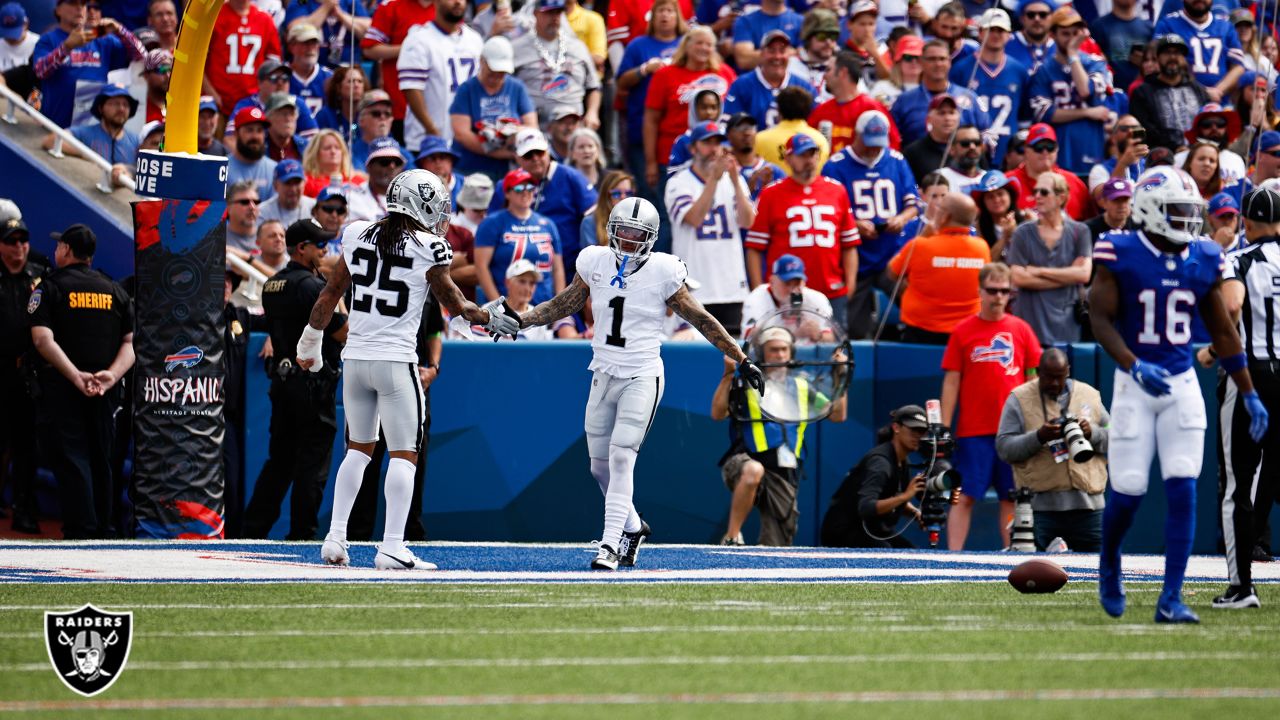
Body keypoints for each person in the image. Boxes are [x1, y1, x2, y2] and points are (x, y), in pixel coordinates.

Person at [516, 196, 766, 569]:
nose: (629, 240)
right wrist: (522, 321)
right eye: (624, 232)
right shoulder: (594, 260)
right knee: (598, 468)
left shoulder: (664, 271)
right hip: (602, 372)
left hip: (641, 374)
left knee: (620, 458)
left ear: (651, 237)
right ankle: (632, 526)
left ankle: (610, 545)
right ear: (611, 231)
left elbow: (700, 318)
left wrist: (741, 357)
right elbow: (564, 303)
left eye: (637, 234)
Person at [306, 169, 518, 569]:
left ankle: (335, 539)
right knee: (405, 454)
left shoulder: (354, 234)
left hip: (356, 360)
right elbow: (456, 304)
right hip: (395, 362)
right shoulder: (430, 246)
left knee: (357, 452)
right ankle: (392, 545)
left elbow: (330, 294)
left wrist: (310, 342)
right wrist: (490, 319)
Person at [1090, 165, 1268, 623]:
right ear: (1149, 209)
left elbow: (1225, 333)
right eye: (1177, 211)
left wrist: (1248, 392)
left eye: (1192, 211)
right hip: (1135, 381)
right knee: (1128, 491)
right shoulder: (1120, 248)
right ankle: (1109, 563)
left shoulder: (1204, 256)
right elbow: (1100, 319)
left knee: (1184, 485)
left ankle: (1171, 596)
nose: (1189, 220)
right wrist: (1131, 363)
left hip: (1182, 382)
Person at [242, 219, 347, 540]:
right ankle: (302, 534)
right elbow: (342, 332)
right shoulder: (312, 286)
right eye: (320, 246)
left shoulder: (272, 284)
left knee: (280, 461)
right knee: (312, 464)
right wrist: (336, 290)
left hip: (283, 382)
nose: (325, 251)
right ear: (302, 248)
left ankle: (253, 529)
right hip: (313, 384)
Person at [28, 224, 133, 538]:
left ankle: (82, 529)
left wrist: (75, 377)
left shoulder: (49, 288)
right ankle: (104, 526)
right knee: (102, 456)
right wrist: (111, 376)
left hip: (63, 388)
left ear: (66, 251)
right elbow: (131, 342)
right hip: (105, 390)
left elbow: (42, 341)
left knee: (72, 456)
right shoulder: (114, 289)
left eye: (60, 246)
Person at [940, 262, 1043, 550]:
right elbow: (951, 381)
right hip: (975, 429)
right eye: (992, 290)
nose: (999, 296)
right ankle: (954, 555)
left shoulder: (1021, 329)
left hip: (1013, 430)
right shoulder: (963, 331)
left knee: (1012, 496)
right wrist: (944, 427)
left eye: (1004, 291)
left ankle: (1011, 554)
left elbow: (1033, 377)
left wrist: (1034, 422)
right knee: (965, 494)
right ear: (980, 291)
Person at [713, 326, 847, 546]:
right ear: (761, 353)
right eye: (773, 350)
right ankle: (732, 537)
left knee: (778, 544)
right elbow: (718, 414)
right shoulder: (746, 381)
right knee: (753, 471)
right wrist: (728, 375)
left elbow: (838, 415)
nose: (780, 355)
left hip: (784, 469)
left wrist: (840, 377)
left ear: (791, 352)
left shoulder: (803, 387)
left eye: (784, 349)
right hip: (744, 460)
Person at [1211, 186, 1280, 609]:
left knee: (1237, 482)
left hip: (1251, 376)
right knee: (1268, 476)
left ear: (1245, 221)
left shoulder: (1238, 258)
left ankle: (1241, 587)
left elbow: (1233, 305)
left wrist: (1217, 344)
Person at [996, 347, 1110, 552]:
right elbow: (1004, 448)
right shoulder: (1019, 399)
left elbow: (1117, 439)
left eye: (1060, 377)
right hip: (1038, 510)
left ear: (1068, 370)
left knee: (1098, 575)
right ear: (1039, 372)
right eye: (1049, 378)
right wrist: (1039, 437)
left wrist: (1091, 432)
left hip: (1089, 507)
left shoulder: (1089, 395)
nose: (1055, 384)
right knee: (1033, 576)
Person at [821, 110, 920, 339]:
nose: (874, 149)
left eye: (878, 143)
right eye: (869, 143)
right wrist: (854, 223)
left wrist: (901, 218)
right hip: (857, 256)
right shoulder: (836, 166)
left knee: (915, 306)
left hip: (892, 253)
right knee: (855, 327)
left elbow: (914, 204)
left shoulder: (895, 160)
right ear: (856, 135)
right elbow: (828, 211)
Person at [746, 134, 858, 329]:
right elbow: (755, 247)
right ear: (788, 158)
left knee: (833, 351)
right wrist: (760, 289)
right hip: (786, 292)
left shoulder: (837, 190)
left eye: (812, 154)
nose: (809, 160)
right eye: (802, 155)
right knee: (780, 351)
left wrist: (850, 284)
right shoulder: (771, 194)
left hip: (831, 288)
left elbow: (849, 244)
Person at [665, 121, 754, 335]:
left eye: (718, 143)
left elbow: (748, 221)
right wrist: (713, 180)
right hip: (695, 288)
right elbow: (694, 218)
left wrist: (734, 181)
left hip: (732, 286)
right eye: (707, 143)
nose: (714, 149)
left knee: (734, 353)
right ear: (693, 148)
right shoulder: (678, 183)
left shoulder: (735, 180)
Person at [487, 128, 597, 275]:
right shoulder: (506, 185)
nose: (535, 158)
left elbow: (596, 216)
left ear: (548, 151)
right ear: (516, 157)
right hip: (516, 271)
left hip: (569, 266)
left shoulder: (571, 177)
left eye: (539, 152)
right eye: (528, 155)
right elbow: (491, 227)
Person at [885, 193, 992, 345]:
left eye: (940, 209)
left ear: (945, 217)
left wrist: (922, 237)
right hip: (966, 333)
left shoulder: (920, 245)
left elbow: (892, 272)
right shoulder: (982, 247)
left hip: (921, 332)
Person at [820, 404, 927, 548]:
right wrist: (905, 496)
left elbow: (889, 496)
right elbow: (867, 507)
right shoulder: (881, 463)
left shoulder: (902, 461)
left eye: (921, 431)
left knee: (911, 555)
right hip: (843, 532)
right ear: (896, 428)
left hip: (872, 530)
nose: (918, 436)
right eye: (913, 429)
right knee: (886, 553)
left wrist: (916, 513)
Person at [643, 26, 735, 191]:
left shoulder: (725, 73)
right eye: (699, 43)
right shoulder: (665, 75)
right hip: (673, 154)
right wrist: (651, 161)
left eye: (708, 44)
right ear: (686, 45)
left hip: (715, 153)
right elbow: (651, 120)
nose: (704, 48)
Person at [0, 215, 47, 535]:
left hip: (27, 374)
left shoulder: (39, 276)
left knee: (27, 445)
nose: (19, 247)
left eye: (23, 240)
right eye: (12, 241)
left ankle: (24, 507)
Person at [1008, 172, 1093, 344]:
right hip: (1029, 328)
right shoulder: (1022, 232)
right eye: (1036, 191)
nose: (1037, 197)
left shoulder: (1080, 231)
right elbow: (1018, 277)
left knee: (1066, 370)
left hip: (1067, 328)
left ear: (1061, 198)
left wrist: (1037, 270)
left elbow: (1084, 275)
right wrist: (1068, 276)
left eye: (1044, 192)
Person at [33, 0, 145, 128]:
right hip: (55, 125)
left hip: (92, 128)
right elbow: (40, 71)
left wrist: (120, 29)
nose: (80, 8)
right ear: (58, 10)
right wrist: (66, 47)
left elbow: (141, 57)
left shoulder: (103, 40)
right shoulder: (48, 39)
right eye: (73, 3)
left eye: (83, 4)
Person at [1027, 7, 1109, 180]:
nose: (1071, 39)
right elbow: (1046, 113)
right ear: (1052, 35)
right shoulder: (1042, 71)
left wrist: (1073, 55)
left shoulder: (1095, 63)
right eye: (1065, 33)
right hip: (1059, 156)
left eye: (1075, 33)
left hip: (1092, 152)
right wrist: (1087, 112)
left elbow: (1085, 90)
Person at [614, 0, 684, 203]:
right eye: (660, 11)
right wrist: (643, 69)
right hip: (643, 129)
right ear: (651, 17)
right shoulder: (638, 45)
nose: (664, 15)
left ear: (677, 16)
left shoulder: (686, 44)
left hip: (677, 133)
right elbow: (621, 82)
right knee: (650, 192)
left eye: (670, 11)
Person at [449, 36, 539, 183]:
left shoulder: (517, 87)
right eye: (493, 71)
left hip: (507, 169)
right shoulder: (467, 90)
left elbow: (532, 126)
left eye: (501, 72)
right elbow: (461, 133)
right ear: (482, 61)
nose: (497, 76)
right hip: (471, 167)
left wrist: (512, 132)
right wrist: (496, 152)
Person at [396, 0, 481, 153]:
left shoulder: (475, 39)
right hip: (427, 142)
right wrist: (432, 130)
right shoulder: (418, 39)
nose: (457, 2)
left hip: (466, 141)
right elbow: (412, 89)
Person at [475, 168, 565, 306]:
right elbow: (481, 267)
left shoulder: (548, 224)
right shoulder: (492, 223)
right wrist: (499, 306)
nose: (525, 192)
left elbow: (558, 268)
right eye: (519, 188)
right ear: (507, 193)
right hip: (507, 304)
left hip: (545, 306)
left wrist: (560, 306)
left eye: (530, 187)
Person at [950, 9, 1027, 169]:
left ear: (1009, 35)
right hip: (972, 149)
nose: (996, 34)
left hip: (1008, 148)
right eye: (991, 29)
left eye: (1001, 30)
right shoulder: (961, 69)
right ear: (980, 33)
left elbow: (1024, 115)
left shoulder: (1019, 71)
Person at [512, 0, 602, 129]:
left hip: (574, 122)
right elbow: (506, 87)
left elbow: (594, 87)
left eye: (558, 12)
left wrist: (592, 112)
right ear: (535, 13)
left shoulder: (577, 47)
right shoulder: (518, 48)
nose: (554, 18)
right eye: (549, 13)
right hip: (535, 125)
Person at [360, 0, 435, 142]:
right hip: (400, 107)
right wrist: (410, 49)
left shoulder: (446, 8)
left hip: (439, 108)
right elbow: (369, 48)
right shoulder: (392, 6)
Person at [890, 39, 987, 147]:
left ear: (949, 62)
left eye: (942, 59)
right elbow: (893, 140)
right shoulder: (904, 101)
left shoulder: (970, 98)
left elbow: (986, 133)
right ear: (921, 62)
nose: (938, 64)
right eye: (932, 59)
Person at [1129, 35, 1210, 154]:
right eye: (1167, 53)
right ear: (1158, 57)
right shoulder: (1143, 92)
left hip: (1198, 154)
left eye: (1177, 53)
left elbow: (1207, 122)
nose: (1172, 57)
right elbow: (1145, 130)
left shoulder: (1198, 90)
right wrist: (1175, 147)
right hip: (1160, 157)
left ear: (1183, 58)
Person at [809, 50, 900, 156]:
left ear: (842, 72)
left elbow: (892, 148)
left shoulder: (872, 110)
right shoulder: (821, 111)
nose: (824, 76)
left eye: (828, 70)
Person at [47, 85, 139, 188]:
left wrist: (128, 170)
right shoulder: (85, 132)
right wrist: (85, 154)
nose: (121, 109)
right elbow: (51, 140)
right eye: (115, 104)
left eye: (126, 105)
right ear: (101, 108)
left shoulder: (136, 141)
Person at [724, 30, 814, 131]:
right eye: (771, 51)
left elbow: (817, 122)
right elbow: (729, 124)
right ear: (761, 53)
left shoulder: (803, 87)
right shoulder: (741, 85)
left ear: (789, 55)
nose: (777, 56)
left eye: (782, 51)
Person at [1153, 0, 1243, 102]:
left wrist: (1218, 91)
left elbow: (1238, 67)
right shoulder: (1167, 25)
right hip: (1180, 101)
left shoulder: (1226, 26)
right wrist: (1201, 92)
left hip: (1219, 102)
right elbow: (1158, 62)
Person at [205, 0, 282, 118]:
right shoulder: (213, 17)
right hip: (219, 105)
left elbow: (274, 65)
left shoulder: (265, 20)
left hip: (254, 105)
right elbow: (197, 64)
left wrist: (263, 97)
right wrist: (211, 94)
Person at [1005, 123, 1091, 220]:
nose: (1045, 152)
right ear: (1026, 150)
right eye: (1039, 147)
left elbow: (1089, 223)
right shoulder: (1008, 182)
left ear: (1057, 149)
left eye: (1050, 147)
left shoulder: (1074, 182)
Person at [739, 254, 834, 340]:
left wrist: (818, 335)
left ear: (804, 282)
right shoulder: (757, 297)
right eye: (787, 283)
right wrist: (793, 333)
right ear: (772, 281)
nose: (792, 289)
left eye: (797, 283)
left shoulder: (817, 299)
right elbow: (749, 336)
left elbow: (832, 338)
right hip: (768, 357)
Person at [1088, 0, 1151, 94]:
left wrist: (1145, 62)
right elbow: (1092, 62)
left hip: (1142, 94)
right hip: (1112, 93)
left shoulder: (1148, 27)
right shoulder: (1098, 26)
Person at [725, 112, 784, 201]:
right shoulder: (725, 171)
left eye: (751, 127)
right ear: (729, 135)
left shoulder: (772, 170)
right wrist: (749, 189)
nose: (747, 132)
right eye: (740, 128)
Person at [903, 94, 960, 182]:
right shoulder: (913, 152)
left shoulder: (969, 145)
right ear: (928, 119)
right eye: (941, 113)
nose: (948, 118)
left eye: (951, 112)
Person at [731, 0, 802, 71]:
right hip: (755, 79)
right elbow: (744, 60)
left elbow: (804, 55)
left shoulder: (801, 21)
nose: (778, 56)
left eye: (781, 51)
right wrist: (791, 52)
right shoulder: (745, 22)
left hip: (791, 77)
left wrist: (761, 55)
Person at [347, 137, 406, 223]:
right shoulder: (353, 197)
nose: (392, 167)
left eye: (397, 162)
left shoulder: (411, 198)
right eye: (385, 162)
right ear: (369, 167)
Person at [226, 106, 277, 201]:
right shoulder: (223, 168)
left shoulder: (274, 169)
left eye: (260, 131)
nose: (255, 136)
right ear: (236, 133)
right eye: (249, 130)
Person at [972, 170, 1026, 260]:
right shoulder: (977, 229)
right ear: (983, 203)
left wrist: (1016, 232)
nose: (996, 200)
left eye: (1000, 194)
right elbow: (986, 263)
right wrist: (1005, 236)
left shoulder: (1026, 220)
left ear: (1010, 196)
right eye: (990, 197)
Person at [349, 90, 409, 170]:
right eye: (376, 114)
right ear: (361, 120)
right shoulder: (350, 153)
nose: (383, 117)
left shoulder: (404, 154)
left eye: (387, 114)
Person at [285, 23, 330, 120]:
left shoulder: (329, 78)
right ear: (291, 46)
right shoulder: (279, 76)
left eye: (314, 43)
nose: (310, 48)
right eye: (305, 43)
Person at [301, 129, 364, 198]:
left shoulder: (358, 180)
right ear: (315, 153)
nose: (333, 152)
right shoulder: (305, 182)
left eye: (337, 148)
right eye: (327, 148)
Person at [869, 34, 924, 110]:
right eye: (908, 57)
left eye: (918, 57)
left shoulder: (932, 90)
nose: (914, 62)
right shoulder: (882, 88)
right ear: (898, 61)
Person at [582, 170, 635, 250]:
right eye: (616, 193)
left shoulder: (637, 223)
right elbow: (591, 259)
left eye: (628, 193)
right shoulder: (590, 222)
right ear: (606, 196)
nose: (623, 198)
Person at [259, 159, 315, 228]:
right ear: (275, 185)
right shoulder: (263, 213)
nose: (293, 189)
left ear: (304, 183)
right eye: (287, 183)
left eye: (297, 182)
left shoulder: (315, 207)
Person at [1005, 0, 1055, 74]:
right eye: (1031, 15)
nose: (1037, 19)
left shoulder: (1061, 46)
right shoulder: (1005, 42)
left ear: (1052, 18)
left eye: (1043, 15)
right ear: (1021, 18)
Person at [1085, 177, 1137, 244]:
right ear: (1104, 202)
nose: (1122, 205)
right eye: (1116, 200)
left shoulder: (1139, 227)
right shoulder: (1088, 229)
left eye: (1125, 200)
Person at [937, 125, 986, 195]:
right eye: (965, 143)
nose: (972, 147)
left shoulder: (988, 179)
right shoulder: (939, 177)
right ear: (952, 149)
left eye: (977, 142)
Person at [263, 92, 308, 162]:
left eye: (292, 114)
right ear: (268, 118)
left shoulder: (306, 148)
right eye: (283, 113)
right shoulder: (258, 148)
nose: (288, 119)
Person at [224, 180, 261, 255]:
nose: (252, 207)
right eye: (244, 202)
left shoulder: (272, 236)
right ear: (228, 207)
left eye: (256, 202)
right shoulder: (216, 240)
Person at [0, 3, 37, 73]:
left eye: (14, 32)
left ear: (25, 24)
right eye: (6, 32)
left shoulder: (38, 44)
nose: (10, 38)